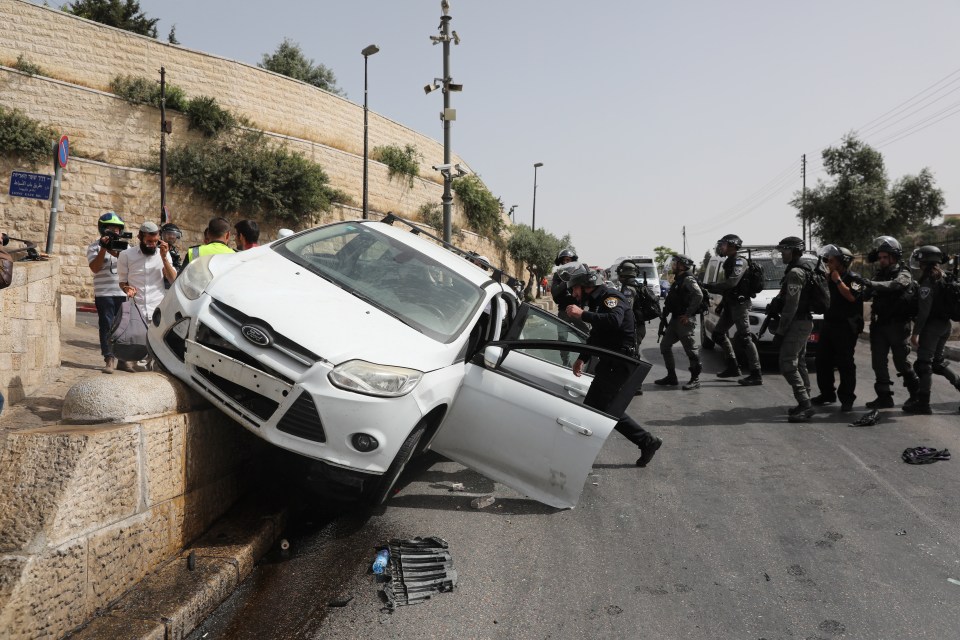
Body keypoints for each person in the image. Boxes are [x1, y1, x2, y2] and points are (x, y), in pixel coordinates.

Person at [563, 263, 662, 467]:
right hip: (611, 361)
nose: (573, 294)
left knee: (599, 408)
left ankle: (580, 458)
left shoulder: (610, 298)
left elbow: (614, 320)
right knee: (600, 408)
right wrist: (583, 358)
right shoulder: (598, 301)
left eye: (575, 289)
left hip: (619, 361)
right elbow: (597, 335)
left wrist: (582, 314)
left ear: (585, 285)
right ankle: (645, 441)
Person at [854, 236, 920, 409]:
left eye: (885, 257)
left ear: (894, 257)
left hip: (898, 326)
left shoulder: (903, 273)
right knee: (878, 362)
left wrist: (871, 283)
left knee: (901, 362)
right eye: (880, 257)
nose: (882, 260)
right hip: (879, 325)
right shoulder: (878, 274)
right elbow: (865, 294)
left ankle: (916, 396)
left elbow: (895, 285)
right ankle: (884, 397)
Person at [702, 233, 762, 385]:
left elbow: (732, 283)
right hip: (730, 304)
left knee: (745, 338)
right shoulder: (729, 261)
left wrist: (710, 286)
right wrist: (723, 303)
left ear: (733, 246)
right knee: (717, 335)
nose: (721, 247)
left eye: (724, 245)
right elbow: (729, 289)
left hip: (740, 305)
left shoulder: (739, 262)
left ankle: (756, 373)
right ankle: (733, 366)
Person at [906, 246, 960, 414]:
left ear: (924, 262)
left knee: (924, 365)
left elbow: (924, 312)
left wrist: (916, 333)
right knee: (937, 363)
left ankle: (923, 403)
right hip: (945, 325)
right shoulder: (944, 276)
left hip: (932, 328)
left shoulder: (928, 281)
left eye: (920, 260)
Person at [118, 221, 178, 370]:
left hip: (157, 309)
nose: (152, 244)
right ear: (140, 237)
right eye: (149, 241)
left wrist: (164, 258)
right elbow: (122, 282)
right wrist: (127, 289)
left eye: (155, 241)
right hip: (136, 310)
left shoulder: (163, 254)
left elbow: (172, 279)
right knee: (139, 352)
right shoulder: (126, 255)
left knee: (157, 350)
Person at [811, 245, 864, 412]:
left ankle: (847, 399)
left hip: (846, 327)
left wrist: (837, 280)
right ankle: (827, 394)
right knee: (822, 360)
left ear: (842, 262)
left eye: (832, 261)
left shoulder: (854, 278)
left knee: (845, 363)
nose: (828, 263)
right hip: (829, 324)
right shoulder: (829, 278)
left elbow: (851, 297)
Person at [771, 236, 815, 422]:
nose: (781, 254)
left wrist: (780, 332)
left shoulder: (796, 272)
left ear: (794, 251)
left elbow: (791, 306)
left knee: (787, 363)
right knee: (800, 361)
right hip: (803, 322)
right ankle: (806, 400)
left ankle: (805, 404)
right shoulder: (800, 269)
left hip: (797, 323)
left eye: (784, 250)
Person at [87, 211, 130, 374]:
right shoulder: (94, 246)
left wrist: (116, 252)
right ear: (103, 229)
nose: (115, 232)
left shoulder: (127, 247)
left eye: (117, 229)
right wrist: (104, 249)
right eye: (111, 228)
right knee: (106, 326)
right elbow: (95, 268)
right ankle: (109, 358)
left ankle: (124, 360)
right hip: (104, 293)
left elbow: (130, 266)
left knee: (124, 326)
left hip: (123, 292)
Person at [655, 254, 703, 390]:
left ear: (682, 265)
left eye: (675, 263)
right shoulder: (678, 279)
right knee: (665, 346)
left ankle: (695, 380)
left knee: (691, 351)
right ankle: (671, 377)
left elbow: (699, 295)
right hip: (675, 320)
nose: (673, 265)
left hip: (684, 321)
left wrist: (688, 314)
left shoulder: (688, 279)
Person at [550, 248, 590, 365]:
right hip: (563, 311)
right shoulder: (558, 275)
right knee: (562, 340)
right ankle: (565, 363)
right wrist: (566, 280)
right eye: (564, 261)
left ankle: (588, 361)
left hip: (577, 310)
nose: (566, 263)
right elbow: (555, 294)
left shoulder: (579, 271)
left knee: (587, 336)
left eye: (568, 260)